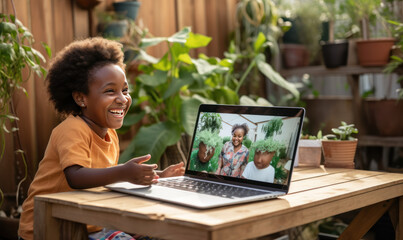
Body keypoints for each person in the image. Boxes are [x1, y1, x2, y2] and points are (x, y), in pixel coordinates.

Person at [18, 37, 185, 240]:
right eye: (110, 91)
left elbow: (106, 177)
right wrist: (124, 172)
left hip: (89, 224)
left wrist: (155, 176)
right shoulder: (72, 130)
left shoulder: (109, 133)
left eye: (124, 90)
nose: (123, 99)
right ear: (81, 98)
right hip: (48, 229)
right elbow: (76, 177)